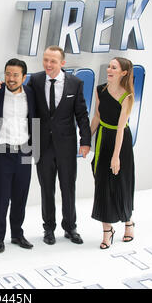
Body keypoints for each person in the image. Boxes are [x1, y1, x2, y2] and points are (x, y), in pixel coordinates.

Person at [27, 45, 91, 245]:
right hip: (42, 145)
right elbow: (27, 107)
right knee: (47, 189)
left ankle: (70, 228)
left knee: (68, 188)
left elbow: (81, 114)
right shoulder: (35, 80)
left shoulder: (75, 83)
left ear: (62, 63)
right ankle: (49, 229)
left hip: (66, 145)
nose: (48, 64)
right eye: (45, 60)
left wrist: (86, 140)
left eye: (53, 61)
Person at [90, 57, 135, 249]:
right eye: (109, 66)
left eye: (114, 67)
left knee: (122, 183)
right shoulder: (100, 89)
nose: (109, 69)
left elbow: (120, 129)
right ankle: (107, 230)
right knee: (102, 183)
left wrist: (116, 156)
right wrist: (84, 141)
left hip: (120, 142)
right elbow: (98, 116)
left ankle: (128, 222)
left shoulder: (127, 96)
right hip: (103, 138)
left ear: (123, 73)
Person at [0, 58, 36, 253]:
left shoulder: (32, 94)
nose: (11, 78)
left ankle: (17, 234)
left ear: (24, 77)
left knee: (21, 196)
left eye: (16, 75)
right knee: (1, 197)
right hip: (3, 150)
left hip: (25, 150)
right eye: (8, 74)